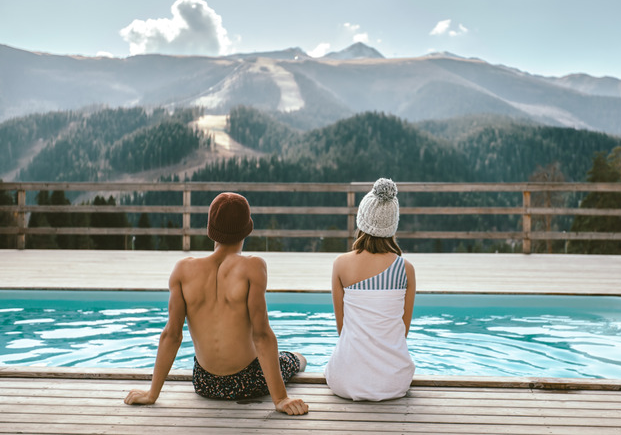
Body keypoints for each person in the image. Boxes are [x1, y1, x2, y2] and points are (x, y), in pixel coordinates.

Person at [124, 192, 308, 415]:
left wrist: (151, 393)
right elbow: (261, 336)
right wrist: (280, 398)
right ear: (247, 229)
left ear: (210, 230)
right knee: (297, 358)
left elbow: (171, 335)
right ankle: (293, 362)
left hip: (205, 383)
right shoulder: (253, 267)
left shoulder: (182, 269)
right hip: (250, 381)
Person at [325, 178, 416, 401]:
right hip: (394, 382)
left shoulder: (340, 264)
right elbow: (401, 333)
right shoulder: (406, 269)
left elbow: (342, 329)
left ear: (362, 220)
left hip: (344, 380)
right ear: (392, 225)